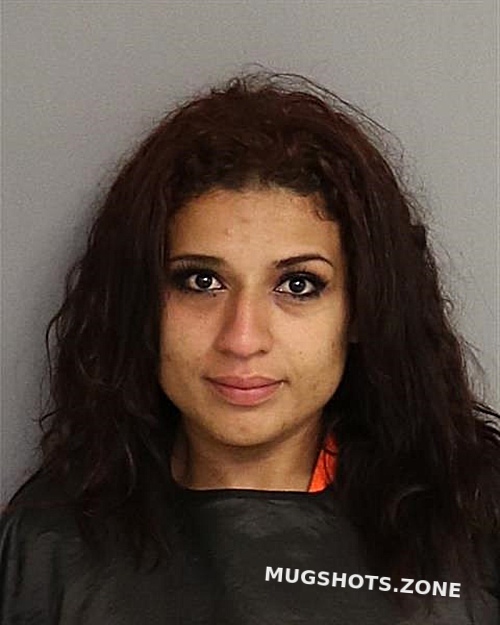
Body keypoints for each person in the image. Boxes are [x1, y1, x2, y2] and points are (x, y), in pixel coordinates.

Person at [1, 72, 499, 624]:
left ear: (362, 310)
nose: (242, 339)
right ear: (141, 303)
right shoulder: (46, 548)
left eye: (298, 285)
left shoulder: (476, 526)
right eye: (200, 282)